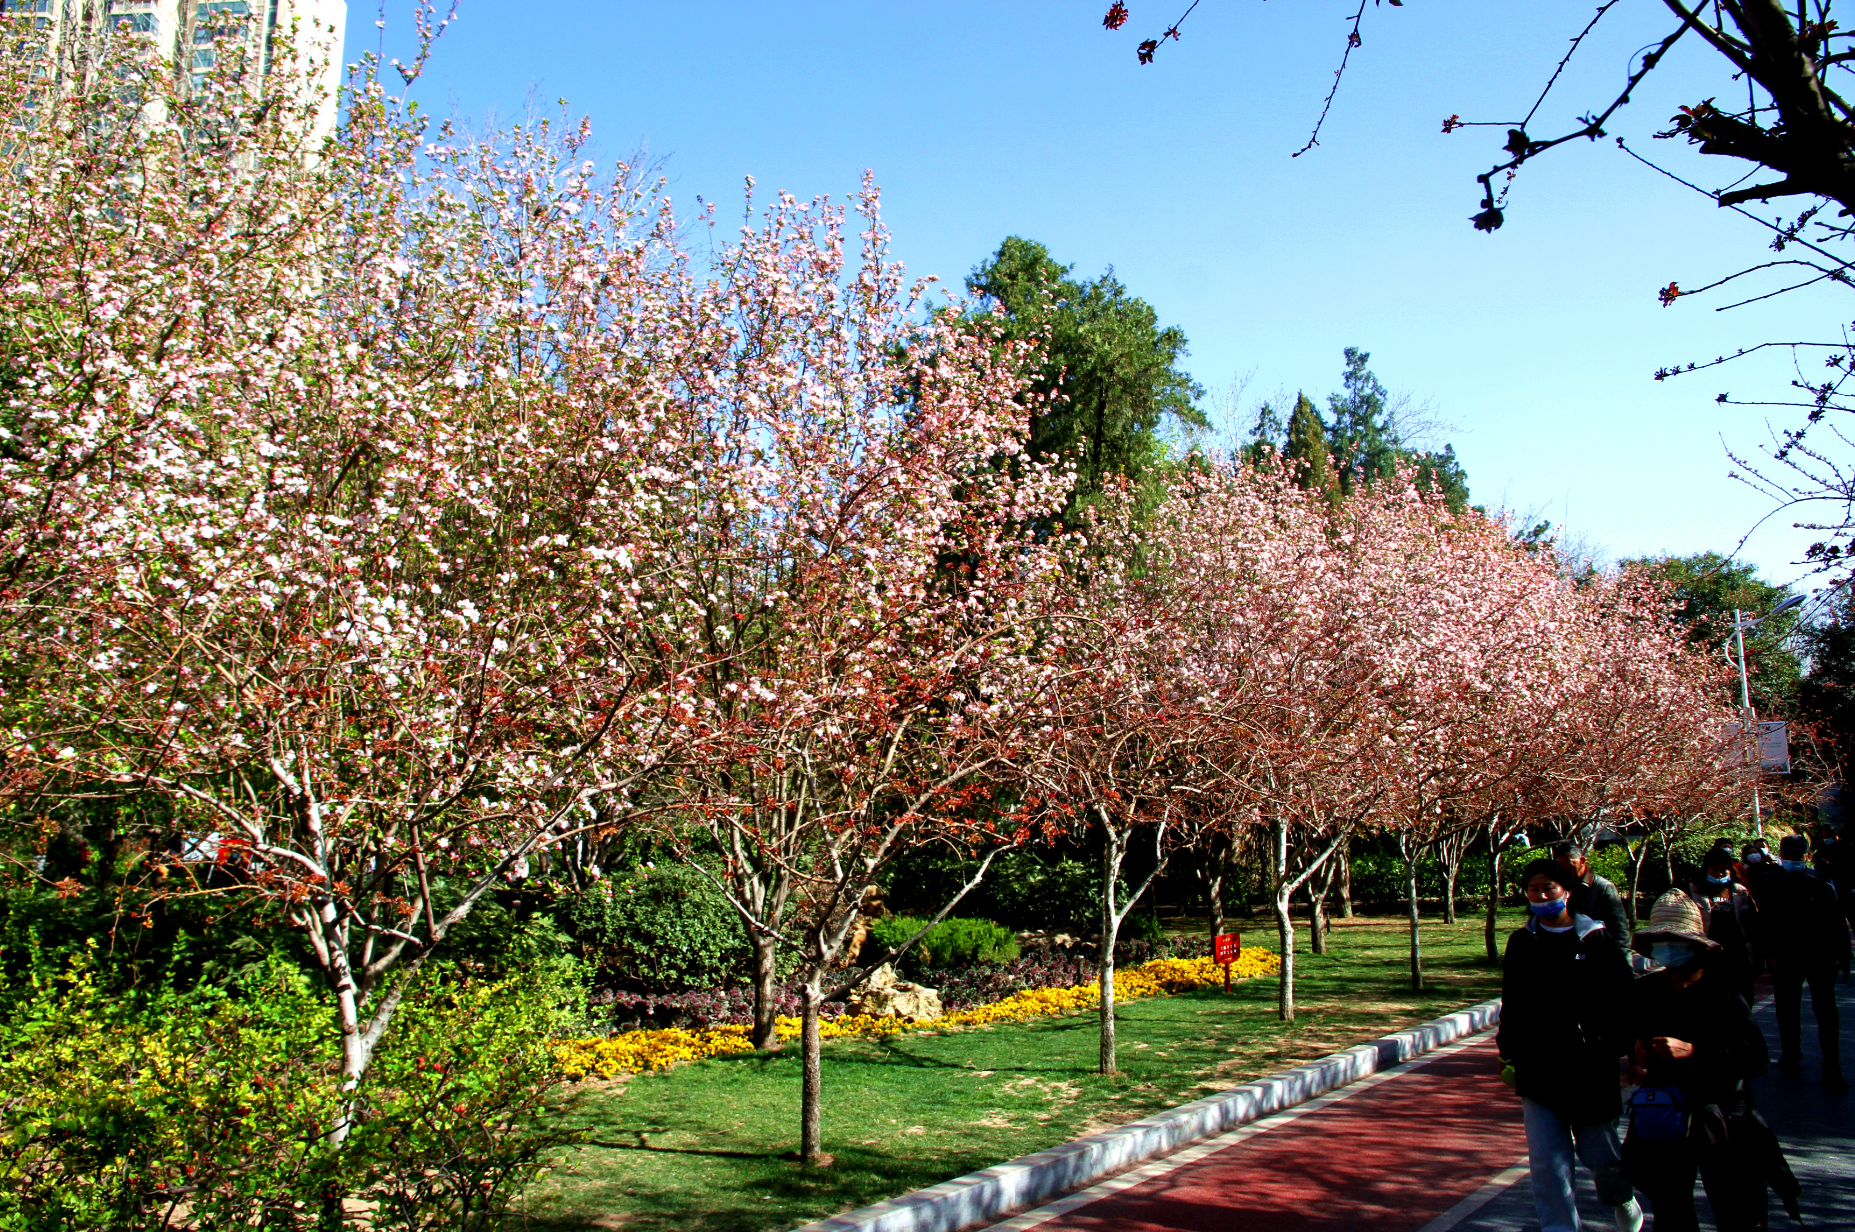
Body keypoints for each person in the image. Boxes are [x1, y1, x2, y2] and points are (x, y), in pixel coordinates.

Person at [1498, 858, 1641, 1232]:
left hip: (1589, 1066)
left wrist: (1619, 1047)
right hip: (1539, 1065)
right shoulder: (1522, 941)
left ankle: (1622, 1199)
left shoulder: (1596, 938)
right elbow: (1511, 1000)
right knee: (1548, 1159)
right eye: (1533, 889)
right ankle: (1559, 1227)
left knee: (1600, 1154)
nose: (1541, 895)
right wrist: (1508, 1050)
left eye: (1549, 888)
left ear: (1567, 892)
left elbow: (1624, 998)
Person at [1624, 891, 1774, 1232]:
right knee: (1671, 1208)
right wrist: (1635, 1049)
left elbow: (1755, 1059)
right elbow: (1622, 1033)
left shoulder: (1723, 995)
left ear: (1696, 946)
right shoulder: (1644, 992)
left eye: (1675, 940)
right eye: (1661, 940)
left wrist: (1694, 1051)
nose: (1668, 947)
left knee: (1736, 1207)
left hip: (1721, 1115)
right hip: (1662, 1113)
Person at [1752, 832, 1851, 1093]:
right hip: (1785, 956)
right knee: (1786, 1008)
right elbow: (1764, 924)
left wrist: (1844, 954)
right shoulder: (1770, 882)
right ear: (1781, 855)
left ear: (1805, 856)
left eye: (1797, 856)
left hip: (1820, 956)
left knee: (1826, 1011)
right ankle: (1790, 1051)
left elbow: (1837, 919)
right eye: (1788, 855)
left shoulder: (1820, 882)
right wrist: (1767, 955)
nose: (1792, 860)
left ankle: (1832, 1064)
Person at [1683, 843, 1759, 1002]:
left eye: (1723, 870)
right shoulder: (1693, 891)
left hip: (1738, 956)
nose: (1719, 874)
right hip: (1707, 956)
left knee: (1743, 1002)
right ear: (1706, 869)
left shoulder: (1740, 892)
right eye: (1714, 870)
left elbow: (1754, 923)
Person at [1553, 840, 1631, 964]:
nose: (1564, 870)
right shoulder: (1560, 887)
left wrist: (1626, 968)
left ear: (1582, 861)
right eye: (1560, 865)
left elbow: (1619, 932)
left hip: (1598, 958)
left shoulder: (1603, 888)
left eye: (1569, 865)